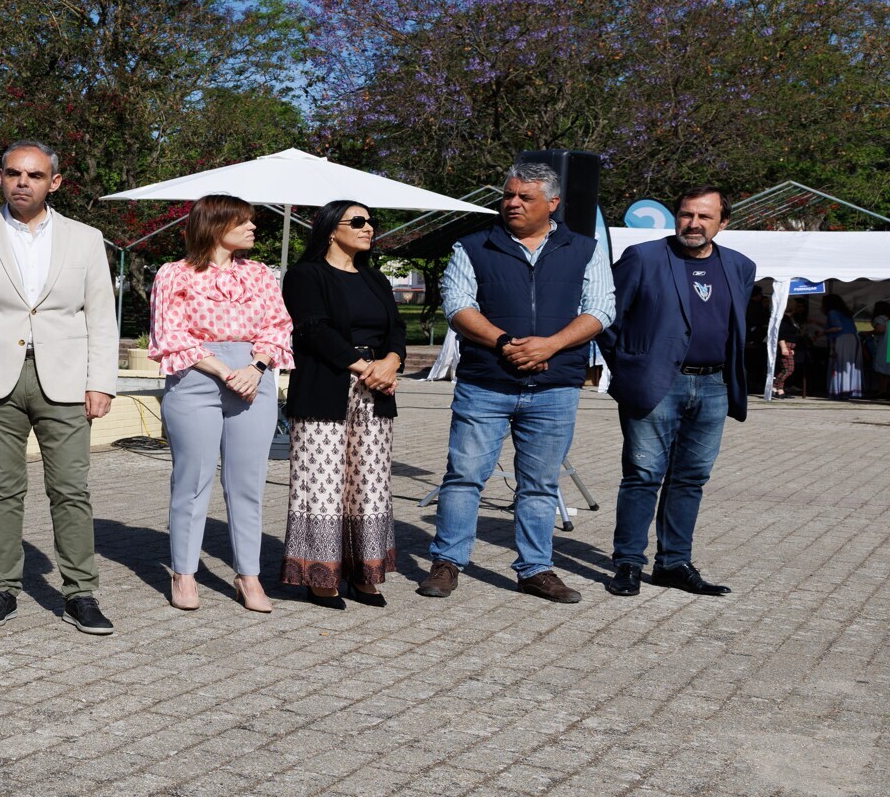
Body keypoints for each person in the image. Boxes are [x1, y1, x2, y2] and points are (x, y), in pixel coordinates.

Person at [0, 140, 120, 635]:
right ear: (0, 177)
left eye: (35, 175)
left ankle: (80, 593)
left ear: (54, 182)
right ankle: (1, 589)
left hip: (66, 378)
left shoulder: (86, 238)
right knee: (2, 489)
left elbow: (102, 316)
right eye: (13, 173)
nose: (23, 182)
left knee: (71, 490)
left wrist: (101, 381)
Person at [418, 161, 614, 604]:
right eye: (508, 195)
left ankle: (535, 569)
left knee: (540, 484)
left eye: (526, 197)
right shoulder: (473, 245)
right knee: (464, 477)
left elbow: (601, 309)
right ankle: (447, 562)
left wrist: (550, 345)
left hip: (555, 386)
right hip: (485, 384)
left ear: (553, 203)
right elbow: (458, 307)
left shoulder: (585, 249)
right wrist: (505, 342)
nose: (513, 203)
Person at [599, 186, 757, 598]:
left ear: (723, 222)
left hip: (714, 385)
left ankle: (673, 563)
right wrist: (628, 365)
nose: (693, 223)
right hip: (656, 383)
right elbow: (606, 315)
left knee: (691, 478)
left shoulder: (740, 266)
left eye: (705, 217)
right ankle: (628, 563)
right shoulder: (643, 257)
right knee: (643, 476)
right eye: (687, 214)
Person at [148, 195, 294, 612]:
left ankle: (249, 575)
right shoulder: (174, 274)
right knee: (192, 480)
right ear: (215, 225)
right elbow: (170, 334)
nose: (252, 228)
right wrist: (224, 370)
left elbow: (279, 326)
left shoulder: (260, 274)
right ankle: (184, 573)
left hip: (253, 379)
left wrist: (256, 366)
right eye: (243, 221)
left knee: (248, 482)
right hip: (196, 378)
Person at [280, 202, 404, 609]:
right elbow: (312, 329)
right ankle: (320, 575)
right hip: (324, 387)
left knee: (370, 483)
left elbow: (397, 329)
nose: (369, 228)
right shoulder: (305, 275)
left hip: (376, 389)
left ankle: (364, 572)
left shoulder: (376, 278)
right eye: (358, 221)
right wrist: (367, 367)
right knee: (321, 483)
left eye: (371, 222)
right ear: (332, 229)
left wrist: (391, 362)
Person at [824, 293, 863, 399]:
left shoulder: (832, 312)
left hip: (842, 339)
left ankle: (841, 389)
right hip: (853, 338)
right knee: (851, 364)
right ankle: (850, 389)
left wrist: (824, 332)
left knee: (840, 364)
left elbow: (838, 327)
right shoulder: (846, 312)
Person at [772, 300, 803, 398]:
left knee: (785, 368)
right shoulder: (784, 318)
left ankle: (779, 390)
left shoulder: (790, 318)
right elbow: (780, 334)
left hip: (790, 346)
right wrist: (784, 347)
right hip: (785, 345)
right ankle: (774, 387)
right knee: (788, 369)